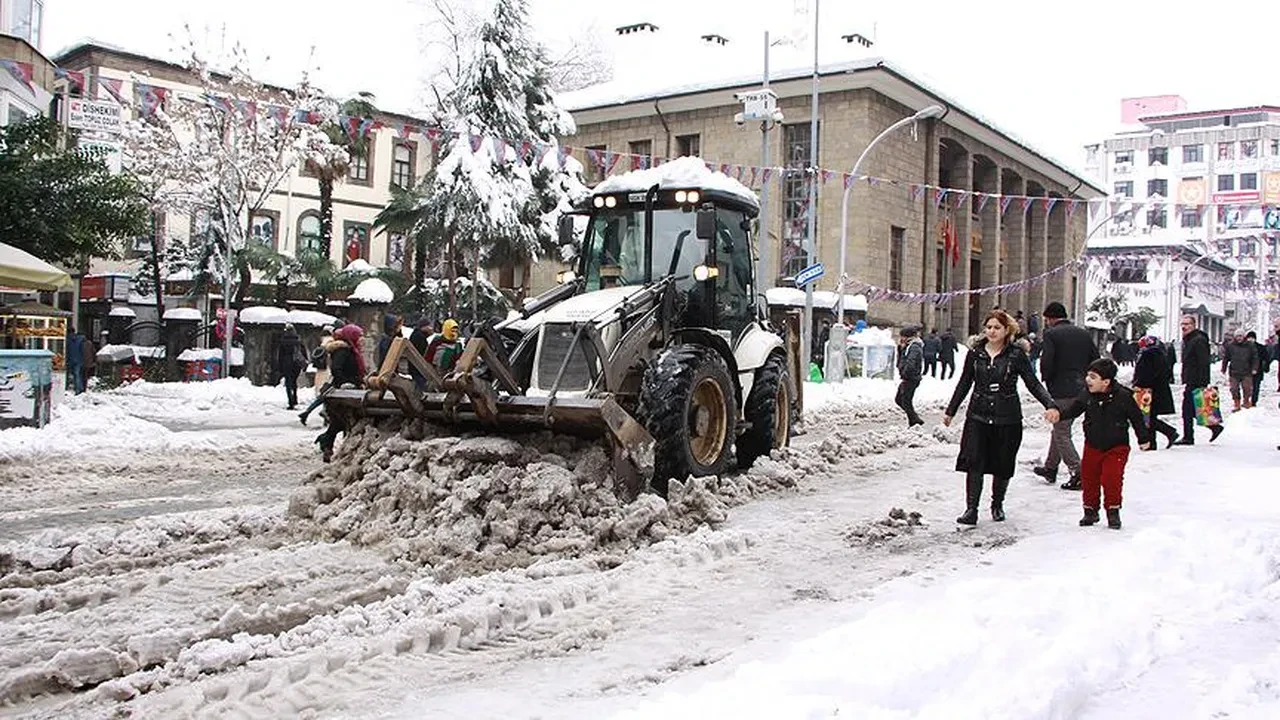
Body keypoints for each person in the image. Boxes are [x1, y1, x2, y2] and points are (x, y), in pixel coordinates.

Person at [943, 310, 1055, 526]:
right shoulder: (975, 353)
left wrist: (1049, 404)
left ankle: (997, 504)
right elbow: (965, 382)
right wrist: (951, 410)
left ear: (1006, 330)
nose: (992, 331)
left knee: (1002, 462)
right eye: (989, 327)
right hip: (978, 415)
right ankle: (971, 509)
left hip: (1007, 416)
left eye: (997, 327)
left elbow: (1032, 383)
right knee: (974, 461)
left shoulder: (1015, 355)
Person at [1048, 358, 1152, 530]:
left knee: (1111, 478)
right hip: (1093, 444)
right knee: (1089, 478)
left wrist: (1144, 439)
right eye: (1087, 375)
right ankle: (1090, 511)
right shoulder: (1086, 395)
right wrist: (1059, 415)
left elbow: (1136, 418)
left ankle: (1113, 511)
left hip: (1117, 446)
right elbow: (1074, 409)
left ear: (1106, 382)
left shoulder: (1124, 396)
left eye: (1093, 377)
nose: (1088, 380)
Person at [1034, 301, 1099, 490]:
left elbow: (1047, 361)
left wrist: (1047, 380)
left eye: (1046, 319)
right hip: (1081, 388)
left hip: (1061, 389)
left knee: (1062, 431)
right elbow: (1095, 359)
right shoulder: (1083, 333)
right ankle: (1050, 467)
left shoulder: (1051, 334)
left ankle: (1078, 472)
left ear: (1050, 318)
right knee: (1059, 427)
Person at [317, 324, 366, 462]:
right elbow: (336, 369)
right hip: (342, 392)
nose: (362, 339)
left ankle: (328, 444)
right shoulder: (343, 351)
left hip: (350, 390)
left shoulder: (352, 350)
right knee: (341, 421)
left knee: (340, 422)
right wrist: (346, 382)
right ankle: (329, 444)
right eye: (359, 336)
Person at [1174, 315, 1221, 445]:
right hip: (1191, 378)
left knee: (1188, 409)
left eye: (1187, 324)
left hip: (1196, 380)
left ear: (1194, 325)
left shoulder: (1198, 340)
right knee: (1192, 409)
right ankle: (1212, 428)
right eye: (1182, 324)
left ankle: (1189, 436)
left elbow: (1203, 362)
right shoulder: (1189, 339)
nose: (1184, 327)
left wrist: (1202, 382)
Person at [1131, 335, 1179, 448]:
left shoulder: (1148, 354)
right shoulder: (1160, 353)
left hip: (1149, 390)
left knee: (1147, 417)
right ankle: (1154, 442)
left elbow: (1144, 373)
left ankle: (1169, 432)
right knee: (1150, 417)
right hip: (1159, 389)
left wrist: (1138, 384)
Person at [299, 323, 338, 426]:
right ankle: (324, 413)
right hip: (327, 371)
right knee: (326, 394)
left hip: (320, 371)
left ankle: (309, 412)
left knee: (323, 395)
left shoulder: (321, 342)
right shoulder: (332, 343)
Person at [1220, 329, 1259, 411]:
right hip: (1234, 372)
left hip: (1247, 371)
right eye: (1237, 336)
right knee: (1234, 389)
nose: (1239, 338)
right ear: (1235, 337)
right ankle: (1236, 403)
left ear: (1244, 336)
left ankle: (1246, 402)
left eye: (1240, 336)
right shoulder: (1230, 346)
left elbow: (1255, 358)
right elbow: (1226, 358)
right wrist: (1223, 368)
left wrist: (1254, 368)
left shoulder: (1250, 346)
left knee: (1247, 388)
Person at [895, 326, 925, 427]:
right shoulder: (908, 347)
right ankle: (914, 419)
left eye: (902, 336)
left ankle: (915, 421)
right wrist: (901, 348)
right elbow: (901, 360)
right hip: (908, 377)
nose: (900, 339)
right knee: (900, 399)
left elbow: (911, 362)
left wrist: (905, 372)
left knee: (905, 401)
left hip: (911, 378)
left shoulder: (914, 347)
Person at [275, 323, 307, 410]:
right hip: (296, 364)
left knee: (288, 383)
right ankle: (295, 397)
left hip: (286, 364)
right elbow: (303, 353)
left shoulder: (283, 341)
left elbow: (280, 356)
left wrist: (279, 367)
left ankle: (290, 401)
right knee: (294, 381)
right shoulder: (298, 340)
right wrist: (304, 364)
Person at [408, 316, 434, 390]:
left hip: (414, 368)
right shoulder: (420, 337)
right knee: (421, 387)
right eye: (429, 326)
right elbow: (423, 352)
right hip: (418, 368)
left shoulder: (416, 335)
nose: (431, 328)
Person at [1246, 331, 1268, 409]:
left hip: (1258, 371)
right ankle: (1247, 401)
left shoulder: (1261, 347)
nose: (1250, 339)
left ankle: (1254, 402)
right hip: (1246, 371)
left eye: (1252, 338)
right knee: (1247, 387)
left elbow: (1266, 358)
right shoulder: (1244, 347)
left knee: (1256, 387)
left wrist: (1266, 368)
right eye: (1249, 338)